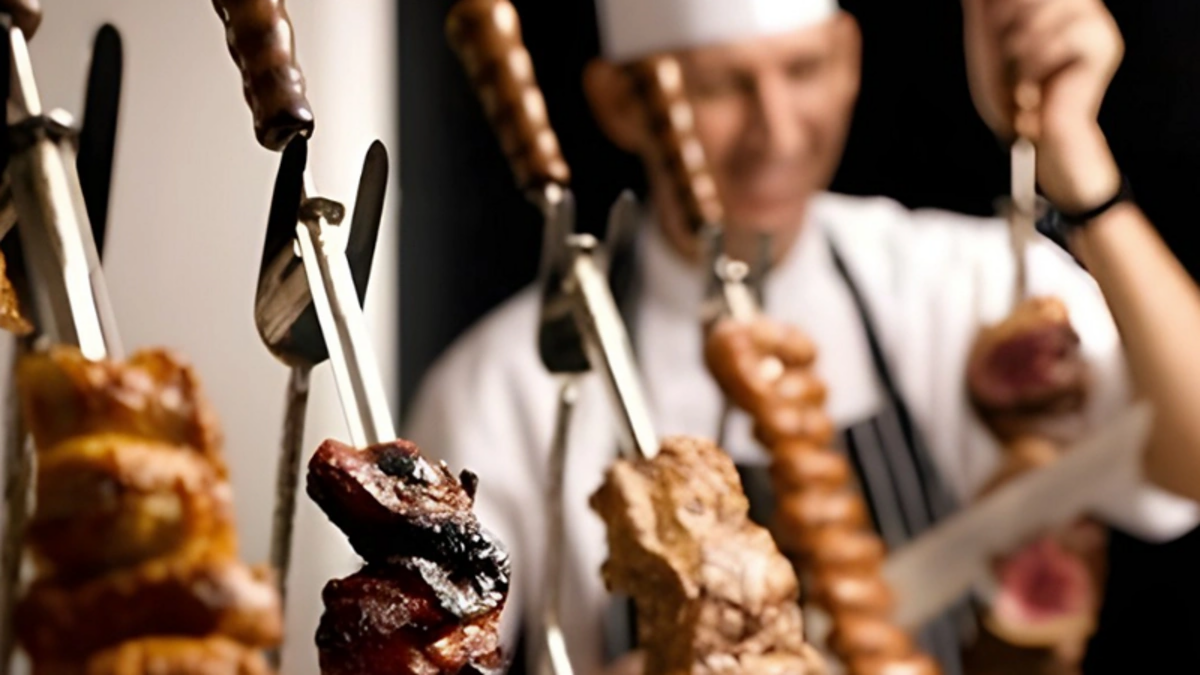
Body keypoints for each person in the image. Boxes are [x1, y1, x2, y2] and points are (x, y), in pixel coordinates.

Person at [405, 0, 1200, 672]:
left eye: (804, 69)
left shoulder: (961, 283)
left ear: (850, 58)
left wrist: (1077, 161)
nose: (777, 131)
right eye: (720, 86)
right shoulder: (503, 386)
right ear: (619, 103)